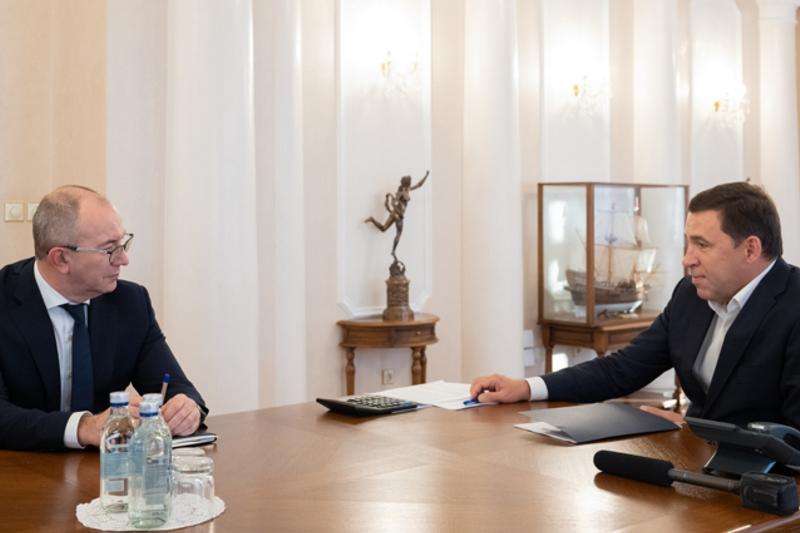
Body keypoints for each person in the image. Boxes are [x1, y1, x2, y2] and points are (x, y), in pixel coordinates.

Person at [471, 181, 800, 428]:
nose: (687, 259)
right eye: (687, 243)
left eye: (702, 245)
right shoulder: (689, 295)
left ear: (750, 249)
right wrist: (527, 387)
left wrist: (698, 433)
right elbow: (622, 369)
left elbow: (794, 437)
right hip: (698, 470)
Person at [0, 185, 207, 451]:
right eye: (110, 249)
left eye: (123, 243)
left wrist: (187, 409)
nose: (124, 259)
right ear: (61, 258)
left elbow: (176, 386)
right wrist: (84, 427)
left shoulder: (131, 303)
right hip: (17, 466)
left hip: (104, 469)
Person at [364, 170, 429, 263]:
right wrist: (399, 213)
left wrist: (426, 175)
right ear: (406, 183)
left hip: (395, 214)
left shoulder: (407, 189)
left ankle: (372, 219)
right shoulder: (401, 192)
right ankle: (393, 251)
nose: (410, 184)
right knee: (398, 233)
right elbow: (393, 203)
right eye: (409, 182)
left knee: (384, 229)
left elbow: (419, 184)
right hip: (397, 215)